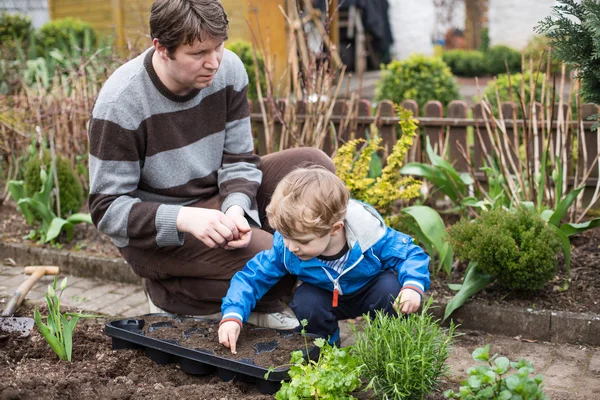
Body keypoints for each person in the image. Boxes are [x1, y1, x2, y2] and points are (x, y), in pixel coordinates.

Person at [87, 0, 334, 329]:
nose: (214, 62)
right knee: (277, 263)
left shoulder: (228, 71)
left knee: (313, 167)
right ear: (161, 48)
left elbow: (240, 159)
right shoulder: (122, 103)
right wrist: (185, 218)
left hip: (216, 200)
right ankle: (171, 296)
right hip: (159, 233)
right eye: (199, 53)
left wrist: (236, 208)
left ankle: (248, 290)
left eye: (219, 47)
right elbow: (107, 210)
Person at [218, 167, 431, 353]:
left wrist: (413, 286)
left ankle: (389, 347)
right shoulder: (287, 249)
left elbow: (410, 254)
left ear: (334, 229)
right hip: (326, 295)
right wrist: (233, 315)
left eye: (302, 240)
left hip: (370, 291)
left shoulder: (370, 237)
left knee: (391, 290)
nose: (292, 247)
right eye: (285, 236)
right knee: (306, 302)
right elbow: (252, 277)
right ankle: (325, 350)